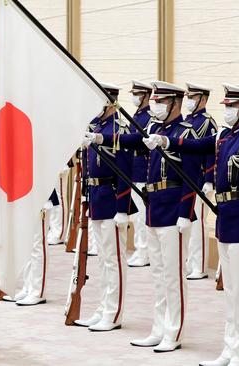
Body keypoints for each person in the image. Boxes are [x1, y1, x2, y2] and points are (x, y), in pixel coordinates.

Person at [144, 83, 239, 366]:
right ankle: (231, 349)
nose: (228, 110)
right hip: (227, 219)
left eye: (233, 105)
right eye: (227, 105)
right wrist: (168, 142)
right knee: (232, 293)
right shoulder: (225, 136)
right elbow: (197, 145)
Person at [86, 81, 199, 352]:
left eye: (160, 101)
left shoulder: (188, 132)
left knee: (173, 276)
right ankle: (159, 328)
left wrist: (185, 212)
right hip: (154, 206)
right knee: (159, 274)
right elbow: (131, 140)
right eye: (155, 100)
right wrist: (103, 139)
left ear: (174, 103)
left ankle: (174, 331)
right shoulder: (153, 129)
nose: (155, 105)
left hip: (174, 209)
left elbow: (192, 175)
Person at [75, 83, 134, 332]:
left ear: (110, 102)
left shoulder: (119, 128)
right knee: (102, 259)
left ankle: (114, 312)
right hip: (97, 196)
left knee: (114, 260)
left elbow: (125, 169)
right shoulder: (97, 127)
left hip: (111, 198)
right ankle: (102, 308)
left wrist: (123, 207)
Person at [183, 82, 217, 280]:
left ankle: (200, 266)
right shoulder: (189, 120)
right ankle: (189, 261)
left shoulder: (207, 122)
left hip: (200, 180)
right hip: (188, 178)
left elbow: (211, 152)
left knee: (198, 225)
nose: (189, 100)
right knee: (188, 223)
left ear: (203, 99)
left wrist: (209, 179)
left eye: (193, 97)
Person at [126, 80, 153, 267]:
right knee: (136, 215)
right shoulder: (137, 114)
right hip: (134, 168)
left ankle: (144, 251)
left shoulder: (150, 117)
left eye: (138, 94)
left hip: (143, 169)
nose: (135, 97)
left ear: (146, 95)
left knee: (143, 214)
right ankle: (139, 248)